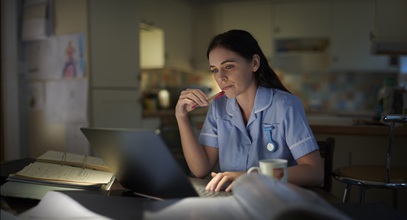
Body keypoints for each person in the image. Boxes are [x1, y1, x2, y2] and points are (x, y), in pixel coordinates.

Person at [175, 30, 323, 192]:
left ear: (254, 63)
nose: (220, 77)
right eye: (215, 70)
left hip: (277, 202)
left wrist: (251, 176)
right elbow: (200, 170)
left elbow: (314, 172)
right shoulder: (218, 107)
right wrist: (181, 116)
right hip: (234, 203)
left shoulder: (285, 104)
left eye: (229, 66)